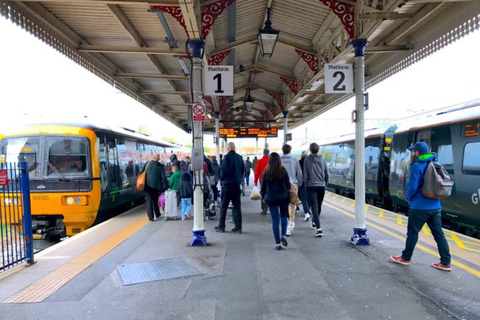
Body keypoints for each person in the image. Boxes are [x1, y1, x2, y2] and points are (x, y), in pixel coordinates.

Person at [390, 142, 451, 271]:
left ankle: (405, 258)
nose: (413, 153)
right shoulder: (435, 163)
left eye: (414, 151)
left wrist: (409, 198)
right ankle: (445, 262)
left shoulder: (417, 166)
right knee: (439, 235)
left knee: (412, 233)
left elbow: (412, 187)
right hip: (435, 206)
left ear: (417, 152)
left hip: (419, 207)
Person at [261, 152, 291, 250]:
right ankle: (283, 236)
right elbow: (288, 185)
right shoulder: (283, 171)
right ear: (279, 160)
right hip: (283, 198)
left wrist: (263, 197)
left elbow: (263, 187)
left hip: (271, 198)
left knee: (275, 220)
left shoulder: (266, 172)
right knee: (283, 217)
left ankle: (277, 244)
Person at [215, 142, 245, 234]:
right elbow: (242, 171)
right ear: (234, 148)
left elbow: (223, 172)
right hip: (236, 185)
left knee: (224, 206)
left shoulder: (226, 158)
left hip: (227, 186)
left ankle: (221, 226)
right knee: (237, 207)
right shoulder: (240, 158)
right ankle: (238, 227)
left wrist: (222, 180)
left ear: (228, 149)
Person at [303, 143, 329, 237]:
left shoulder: (307, 160)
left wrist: (305, 185)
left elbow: (305, 174)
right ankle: (315, 221)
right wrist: (325, 184)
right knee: (319, 204)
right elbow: (327, 173)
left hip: (311, 185)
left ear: (310, 150)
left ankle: (319, 228)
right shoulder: (323, 159)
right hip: (321, 186)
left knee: (314, 206)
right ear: (318, 150)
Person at [281, 144, 303, 236]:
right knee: (292, 206)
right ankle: (290, 224)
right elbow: (299, 174)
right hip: (293, 185)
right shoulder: (294, 159)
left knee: (283, 205)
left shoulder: (279, 159)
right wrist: (299, 183)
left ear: (283, 150)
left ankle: (285, 224)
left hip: (281, 184)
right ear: (290, 150)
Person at [140, 154, 169, 221]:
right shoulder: (161, 166)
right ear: (159, 159)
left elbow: (141, 172)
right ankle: (157, 214)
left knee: (149, 201)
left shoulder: (147, 163)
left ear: (153, 157)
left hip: (147, 186)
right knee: (155, 200)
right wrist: (167, 186)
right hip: (156, 186)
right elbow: (163, 178)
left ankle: (151, 217)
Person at [254, 149, 270, 215]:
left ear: (263, 153)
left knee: (263, 193)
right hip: (271, 180)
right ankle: (272, 207)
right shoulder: (271, 161)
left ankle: (264, 209)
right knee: (271, 193)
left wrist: (255, 181)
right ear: (268, 153)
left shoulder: (260, 161)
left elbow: (257, 172)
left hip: (262, 180)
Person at [298, 151, 311, 221]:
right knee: (308, 197)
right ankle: (308, 209)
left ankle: (307, 212)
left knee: (303, 198)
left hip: (302, 183)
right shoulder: (310, 162)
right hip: (310, 182)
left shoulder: (299, 162)